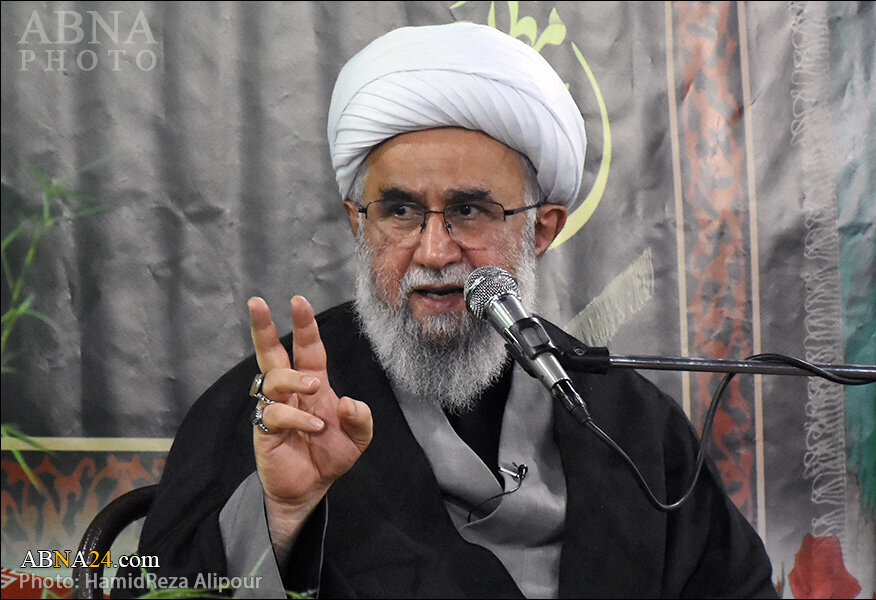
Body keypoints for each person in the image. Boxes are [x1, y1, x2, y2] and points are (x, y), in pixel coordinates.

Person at [115, 22, 777, 599]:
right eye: (400, 210)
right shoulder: (279, 406)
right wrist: (279, 515)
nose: (435, 251)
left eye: (469, 210)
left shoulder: (625, 421)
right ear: (359, 224)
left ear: (541, 230)